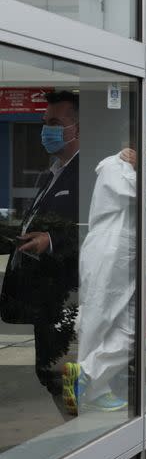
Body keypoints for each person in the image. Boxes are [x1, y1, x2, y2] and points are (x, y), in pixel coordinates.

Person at [63, 137, 146, 414]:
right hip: (109, 252)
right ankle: (92, 389)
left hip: (123, 257)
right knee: (98, 321)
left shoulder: (130, 169)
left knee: (131, 329)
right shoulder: (113, 165)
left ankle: (87, 375)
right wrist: (145, 167)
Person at [0, 91, 80, 416]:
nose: (47, 130)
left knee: (62, 372)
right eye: (45, 122)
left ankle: (85, 433)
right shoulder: (53, 172)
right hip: (44, 293)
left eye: (56, 123)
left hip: (68, 294)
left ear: (78, 129)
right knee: (50, 371)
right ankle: (78, 427)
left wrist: (51, 240)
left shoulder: (88, 173)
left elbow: (98, 228)